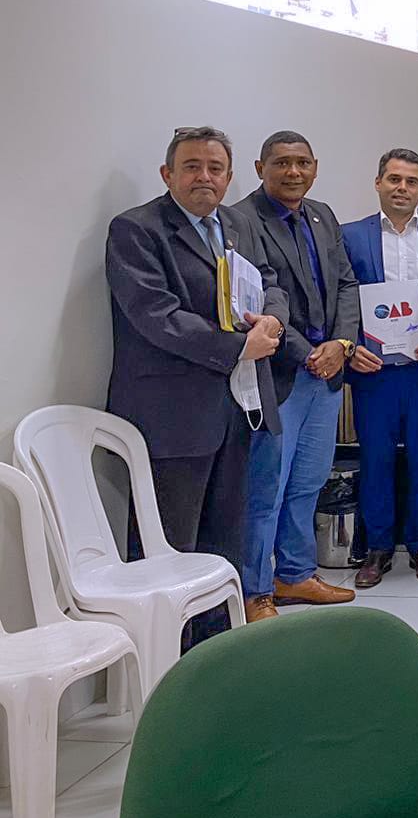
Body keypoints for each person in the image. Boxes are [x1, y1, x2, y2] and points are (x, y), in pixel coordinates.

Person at [106, 127, 288, 642]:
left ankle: (213, 655)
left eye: (214, 168)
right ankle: (166, 667)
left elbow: (270, 281)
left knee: (221, 545)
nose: (203, 177)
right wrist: (238, 347)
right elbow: (154, 315)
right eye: (191, 167)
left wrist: (272, 321)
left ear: (229, 178)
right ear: (168, 174)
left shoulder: (234, 224)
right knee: (168, 552)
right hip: (171, 418)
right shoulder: (137, 230)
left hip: (234, 410)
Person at [234, 131, 360, 621]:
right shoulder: (241, 220)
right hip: (279, 374)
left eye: (302, 163)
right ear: (260, 167)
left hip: (326, 375)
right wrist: (310, 353)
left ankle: (295, 574)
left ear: (315, 167)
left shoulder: (322, 215)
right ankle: (256, 589)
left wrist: (342, 345)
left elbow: (346, 283)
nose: (293, 172)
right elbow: (258, 299)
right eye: (282, 163)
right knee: (267, 487)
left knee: (307, 482)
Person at [342, 148, 418, 588]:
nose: (401, 188)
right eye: (393, 179)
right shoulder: (350, 236)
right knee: (376, 460)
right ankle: (378, 548)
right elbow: (342, 297)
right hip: (373, 369)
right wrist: (350, 346)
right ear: (378, 183)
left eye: (410, 181)